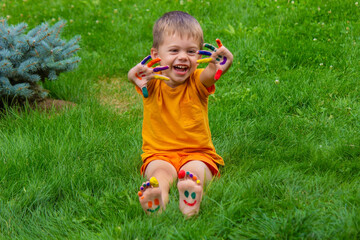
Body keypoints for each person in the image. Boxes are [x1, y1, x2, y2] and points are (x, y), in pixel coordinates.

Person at [127, 11, 233, 217]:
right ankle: (157, 195)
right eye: (174, 50)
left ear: (200, 55)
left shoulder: (198, 80)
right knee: (160, 173)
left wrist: (220, 64)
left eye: (191, 51)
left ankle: (190, 195)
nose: (183, 57)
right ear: (156, 55)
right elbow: (138, 77)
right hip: (159, 154)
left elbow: (212, 73)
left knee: (195, 171)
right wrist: (133, 76)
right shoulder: (152, 83)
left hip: (197, 153)